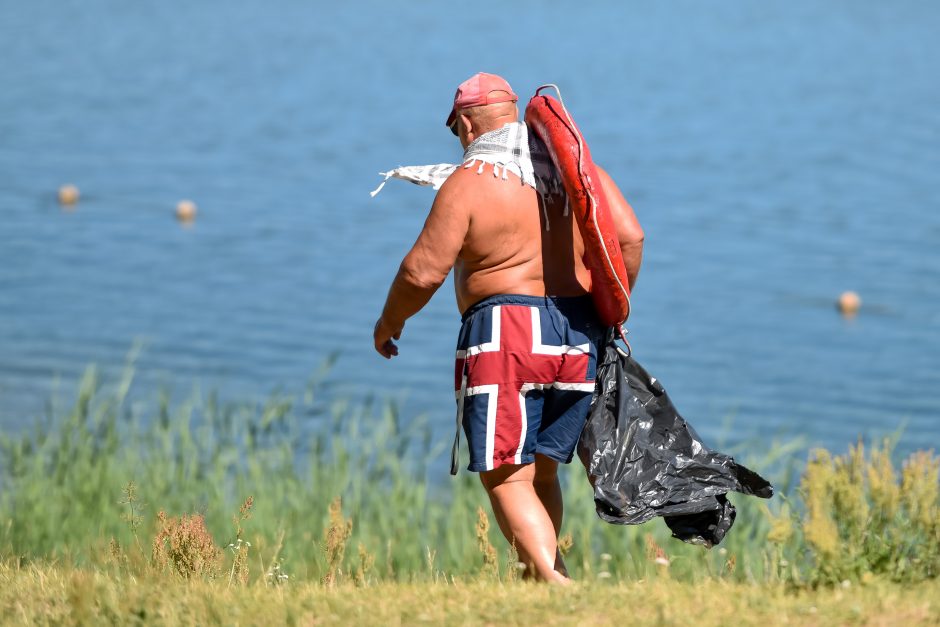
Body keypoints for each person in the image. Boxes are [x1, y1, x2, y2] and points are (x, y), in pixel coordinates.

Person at [373, 72, 644, 583]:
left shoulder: (469, 183)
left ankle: (556, 585)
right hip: (578, 333)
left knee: (504, 475)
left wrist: (389, 322)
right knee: (542, 471)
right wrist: (613, 308)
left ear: (467, 125)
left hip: (505, 334)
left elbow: (421, 271)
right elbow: (629, 238)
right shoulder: (576, 173)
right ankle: (537, 582)